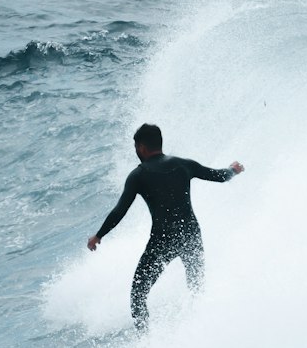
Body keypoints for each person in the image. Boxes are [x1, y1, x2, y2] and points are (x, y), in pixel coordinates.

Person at [87, 123, 244, 331]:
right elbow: (219, 176)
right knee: (196, 287)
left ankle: (145, 344)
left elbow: (120, 211)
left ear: (141, 148)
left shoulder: (138, 175)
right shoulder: (183, 164)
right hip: (190, 234)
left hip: (163, 240)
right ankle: (204, 331)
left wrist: (99, 235)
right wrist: (232, 170)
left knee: (138, 295)